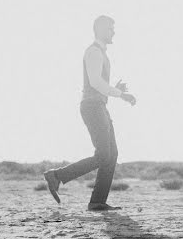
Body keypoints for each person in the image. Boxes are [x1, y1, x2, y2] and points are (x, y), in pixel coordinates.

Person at [42, 15, 136, 211]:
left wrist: (114, 89)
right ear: (100, 29)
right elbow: (94, 81)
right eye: (111, 28)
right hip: (92, 107)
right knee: (104, 155)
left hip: (98, 106)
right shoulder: (93, 52)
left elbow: (98, 83)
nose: (114, 32)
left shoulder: (100, 53)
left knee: (111, 154)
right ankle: (57, 176)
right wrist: (121, 94)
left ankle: (97, 201)